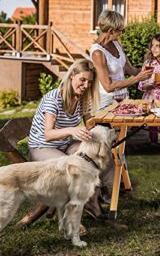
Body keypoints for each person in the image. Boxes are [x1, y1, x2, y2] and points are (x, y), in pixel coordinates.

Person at [21, 59, 104, 233]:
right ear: (72, 75)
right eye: (82, 80)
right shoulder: (54, 98)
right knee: (70, 170)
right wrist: (72, 130)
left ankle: (91, 203)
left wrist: (94, 133)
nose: (85, 85)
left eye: (89, 82)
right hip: (42, 146)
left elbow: (89, 124)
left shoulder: (83, 98)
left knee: (92, 158)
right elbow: (48, 134)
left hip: (64, 145)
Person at [90, 10, 153, 109]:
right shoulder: (98, 53)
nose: (122, 33)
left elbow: (130, 69)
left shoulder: (116, 43)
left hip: (123, 97)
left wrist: (150, 72)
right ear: (111, 31)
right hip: (107, 101)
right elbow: (108, 87)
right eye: (121, 30)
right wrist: (137, 79)